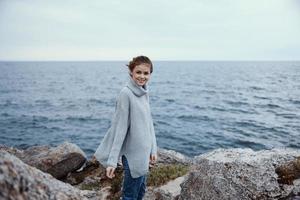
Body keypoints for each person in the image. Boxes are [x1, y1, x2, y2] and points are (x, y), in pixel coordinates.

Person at [94, 55, 157, 200]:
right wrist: (112, 161)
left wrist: (153, 148)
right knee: (129, 196)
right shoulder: (126, 94)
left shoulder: (144, 92)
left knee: (140, 193)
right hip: (132, 156)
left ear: (150, 74)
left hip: (144, 155)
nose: (142, 76)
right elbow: (119, 129)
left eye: (146, 73)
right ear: (131, 73)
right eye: (138, 72)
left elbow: (149, 122)